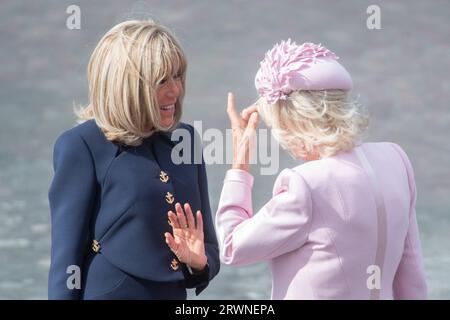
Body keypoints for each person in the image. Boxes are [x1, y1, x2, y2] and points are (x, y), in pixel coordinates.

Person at [215, 40, 427, 299]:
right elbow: (412, 276)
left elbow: (231, 247)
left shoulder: (305, 184)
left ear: (293, 122)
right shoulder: (395, 160)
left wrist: (240, 163)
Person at [48, 20, 220, 300]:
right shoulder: (81, 146)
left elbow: (208, 249)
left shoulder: (185, 139)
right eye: (162, 80)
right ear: (126, 84)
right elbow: (65, 263)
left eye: (178, 76)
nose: (175, 91)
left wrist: (198, 262)